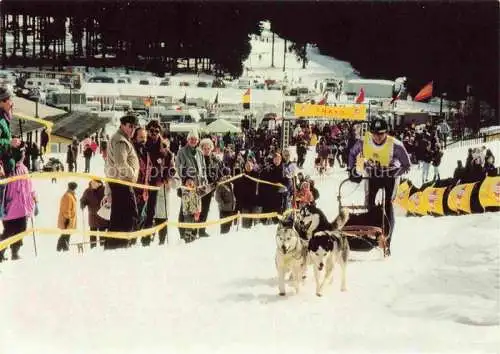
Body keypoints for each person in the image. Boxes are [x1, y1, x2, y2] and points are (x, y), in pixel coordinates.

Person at [348, 118, 411, 255]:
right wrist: (351, 170)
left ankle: (388, 242)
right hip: (373, 174)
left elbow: (407, 165)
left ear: (386, 133)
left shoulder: (395, 145)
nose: (377, 137)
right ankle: (372, 235)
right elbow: (352, 153)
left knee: (388, 205)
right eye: (375, 134)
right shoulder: (364, 142)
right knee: (369, 204)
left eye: (381, 134)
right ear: (371, 133)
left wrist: (396, 171)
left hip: (390, 176)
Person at [104, 114, 140, 250]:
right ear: (123, 125)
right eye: (130, 126)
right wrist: (132, 174)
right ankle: (119, 245)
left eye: (134, 127)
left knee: (120, 216)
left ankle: (115, 246)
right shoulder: (120, 140)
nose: (132, 130)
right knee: (129, 215)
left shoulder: (122, 138)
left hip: (120, 183)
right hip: (122, 183)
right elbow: (121, 164)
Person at [0, 143, 37, 261]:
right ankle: (1, 252)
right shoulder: (7, 169)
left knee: (21, 230)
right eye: (23, 153)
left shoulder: (24, 168)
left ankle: (15, 252)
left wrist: (35, 199)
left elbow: (30, 186)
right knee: (9, 232)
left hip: (23, 207)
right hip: (10, 207)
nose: (24, 155)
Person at [175, 128, 208, 241]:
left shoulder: (199, 153)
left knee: (197, 210)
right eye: (191, 139)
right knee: (187, 210)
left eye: (195, 139)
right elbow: (178, 168)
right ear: (188, 140)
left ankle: (193, 232)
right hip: (188, 186)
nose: (193, 141)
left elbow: (203, 169)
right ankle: (186, 234)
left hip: (198, 186)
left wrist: (204, 182)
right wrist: (186, 178)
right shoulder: (182, 152)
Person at [80, 179, 108, 248]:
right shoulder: (88, 191)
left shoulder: (104, 190)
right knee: (93, 233)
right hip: (93, 216)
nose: (93, 184)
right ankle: (93, 247)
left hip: (102, 215)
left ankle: (102, 247)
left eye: (95, 183)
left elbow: (109, 199)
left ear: (99, 183)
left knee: (102, 233)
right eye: (92, 183)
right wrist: (82, 204)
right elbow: (83, 199)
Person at [56, 182, 78, 252]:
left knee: (66, 235)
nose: (74, 189)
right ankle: (62, 249)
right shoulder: (68, 196)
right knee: (65, 235)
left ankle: (62, 249)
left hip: (69, 219)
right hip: (66, 220)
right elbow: (66, 209)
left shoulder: (71, 195)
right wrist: (67, 219)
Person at [215, 169, 236, 234]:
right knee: (224, 228)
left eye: (229, 174)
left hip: (231, 209)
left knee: (229, 228)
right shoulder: (221, 185)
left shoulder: (231, 184)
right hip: (224, 210)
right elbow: (217, 197)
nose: (228, 176)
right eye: (226, 175)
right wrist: (223, 204)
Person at [181, 177, 201, 243]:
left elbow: (198, 201)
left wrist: (198, 211)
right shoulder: (185, 192)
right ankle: (187, 241)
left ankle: (194, 239)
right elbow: (185, 201)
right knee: (188, 229)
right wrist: (189, 191)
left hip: (196, 213)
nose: (189, 183)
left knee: (195, 229)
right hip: (188, 214)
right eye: (188, 182)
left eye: (191, 181)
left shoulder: (196, 190)